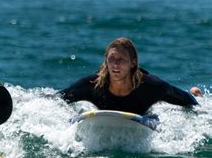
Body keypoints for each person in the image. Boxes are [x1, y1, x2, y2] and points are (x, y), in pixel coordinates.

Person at [58, 37, 203, 115]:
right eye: (111, 59)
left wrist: (194, 102)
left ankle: (195, 91)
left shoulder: (151, 87)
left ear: (133, 62)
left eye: (121, 60)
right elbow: (57, 99)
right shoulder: (92, 84)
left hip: (142, 103)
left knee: (188, 96)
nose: (115, 64)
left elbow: (188, 102)